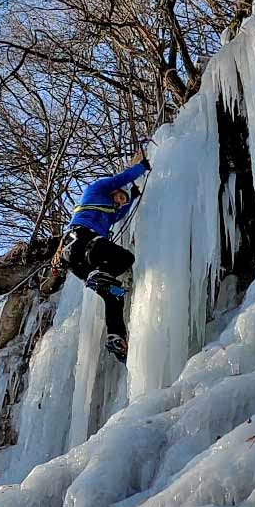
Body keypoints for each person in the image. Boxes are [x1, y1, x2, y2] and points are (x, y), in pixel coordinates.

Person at [61, 151, 148, 361]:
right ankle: (99, 274)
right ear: (114, 191)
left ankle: (116, 337)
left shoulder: (110, 214)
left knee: (114, 295)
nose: (120, 202)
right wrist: (141, 167)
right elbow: (121, 179)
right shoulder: (97, 190)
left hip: (78, 262)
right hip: (80, 241)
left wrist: (132, 197)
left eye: (123, 201)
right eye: (120, 197)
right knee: (126, 258)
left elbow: (121, 214)